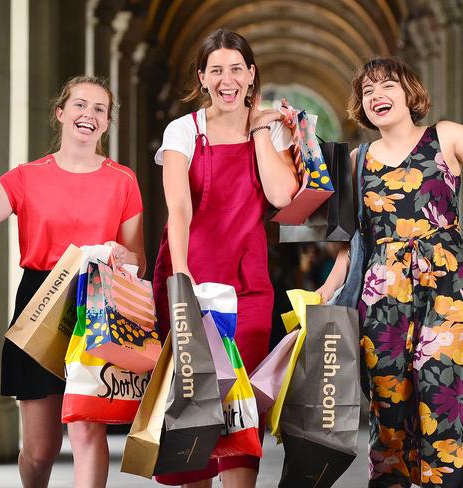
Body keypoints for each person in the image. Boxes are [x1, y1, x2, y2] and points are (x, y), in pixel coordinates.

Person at [317, 57, 463, 487]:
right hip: (381, 308)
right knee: (390, 428)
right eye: (367, 92)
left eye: (386, 85)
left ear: (409, 92)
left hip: (449, 298)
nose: (376, 96)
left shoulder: (446, 137)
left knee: (448, 416)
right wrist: (324, 295)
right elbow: (346, 248)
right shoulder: (355, 160)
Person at [0, 75, 145, 488]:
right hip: (39, 302)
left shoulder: (123, 180)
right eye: (80, 105)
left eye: (99, 109)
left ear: (107, 123)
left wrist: (119, 255)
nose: (88, 115)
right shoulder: (26, 176)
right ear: (60, 113)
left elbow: (138, 259)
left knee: (85, 427)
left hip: (97, 303)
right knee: (40, 451)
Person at [152, 28, 298, 488]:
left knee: (240, 406)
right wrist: (181, 279)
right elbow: (178, 207)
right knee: (192, 404)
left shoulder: (272, 128)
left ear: (252, 75)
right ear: (202, 77)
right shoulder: (183, 130)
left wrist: (258, 131)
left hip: (247, 285)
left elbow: (280, 194)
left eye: (237, 69)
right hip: (188, 272)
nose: (227, 79)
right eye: (216, 70)